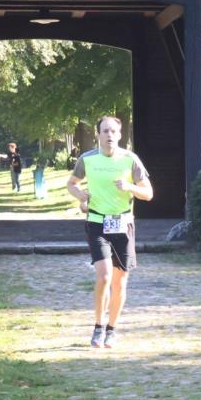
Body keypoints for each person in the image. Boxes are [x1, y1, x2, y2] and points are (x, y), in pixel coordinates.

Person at [67, 116, 153, 349]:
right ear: (98, 135)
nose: (109, 135)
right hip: (97, 223)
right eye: (105, 131)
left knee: (120, 281)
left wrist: (130, 187)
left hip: (123, 225)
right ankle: (98, 326)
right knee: (104, 276)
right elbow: (72, 183)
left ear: (120, 135)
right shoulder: (87, 159)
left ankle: (112, 329)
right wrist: (81, 196)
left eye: (113, 131)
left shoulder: (130, 159)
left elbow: (148, 193)